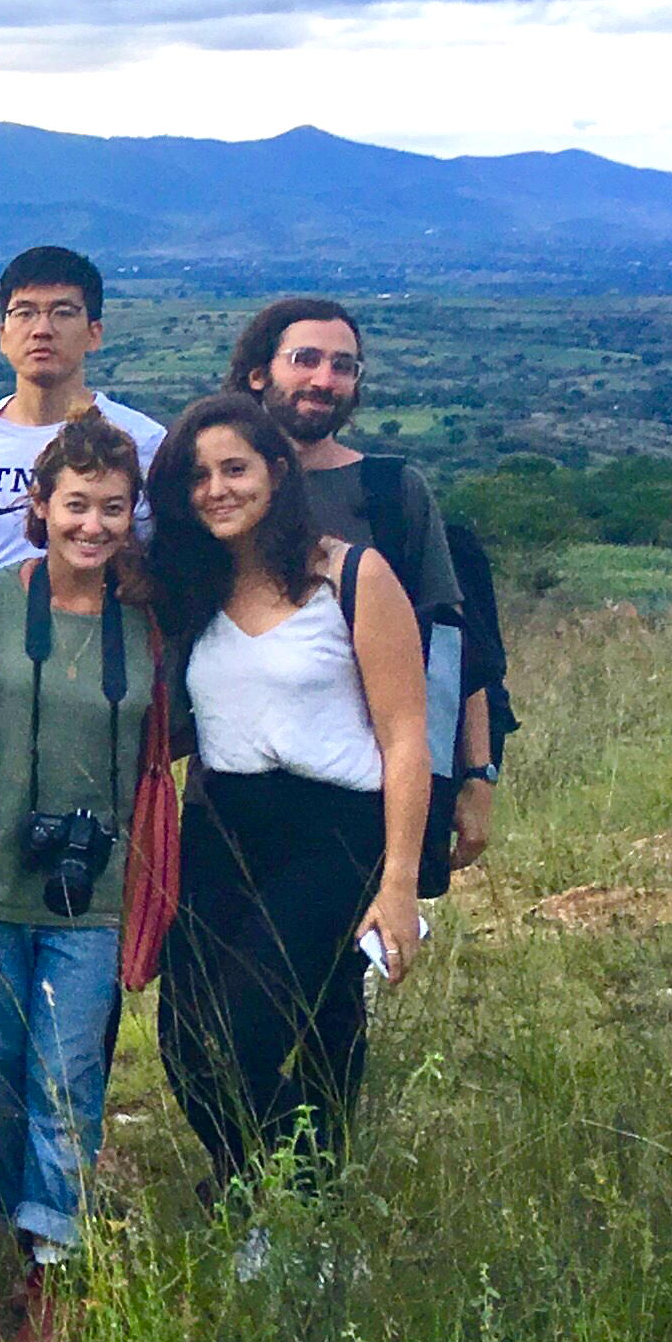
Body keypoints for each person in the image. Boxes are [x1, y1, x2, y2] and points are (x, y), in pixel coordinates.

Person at [142, 395, 433, 1198]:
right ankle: (254, 1188)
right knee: (185, 1040)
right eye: (197, 476)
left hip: (332, 833)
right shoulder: (191, 592)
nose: (217, 489)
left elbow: (406, 736)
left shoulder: (349, 575)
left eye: (235, 468)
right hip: (222, 827)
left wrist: (400, 882)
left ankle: (299, 1205)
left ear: (276, 471)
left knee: (254, 1024)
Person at [0, 420, 161, 1342]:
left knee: (65, 1077)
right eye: (76, 504)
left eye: (113, 507)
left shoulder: (150, 619)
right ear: (39, 507)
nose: (93, 524)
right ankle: (19, 1223)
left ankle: (54, 1269)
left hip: (98, 886)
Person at [227, 298, 493, 874]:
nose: (325, 380)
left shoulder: (391, 494)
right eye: (306, 359)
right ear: (258, 373)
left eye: (343, 366)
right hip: (229, 800)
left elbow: (451, 650)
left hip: (365, 800)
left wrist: (476, 776)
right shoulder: (215, 496)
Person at [0, 247, 172, 569]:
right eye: (24, 312)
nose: (42, 329)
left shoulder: (143, 441)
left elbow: (163, 558)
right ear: (3, 335)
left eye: (63, 312)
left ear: (94, 333)